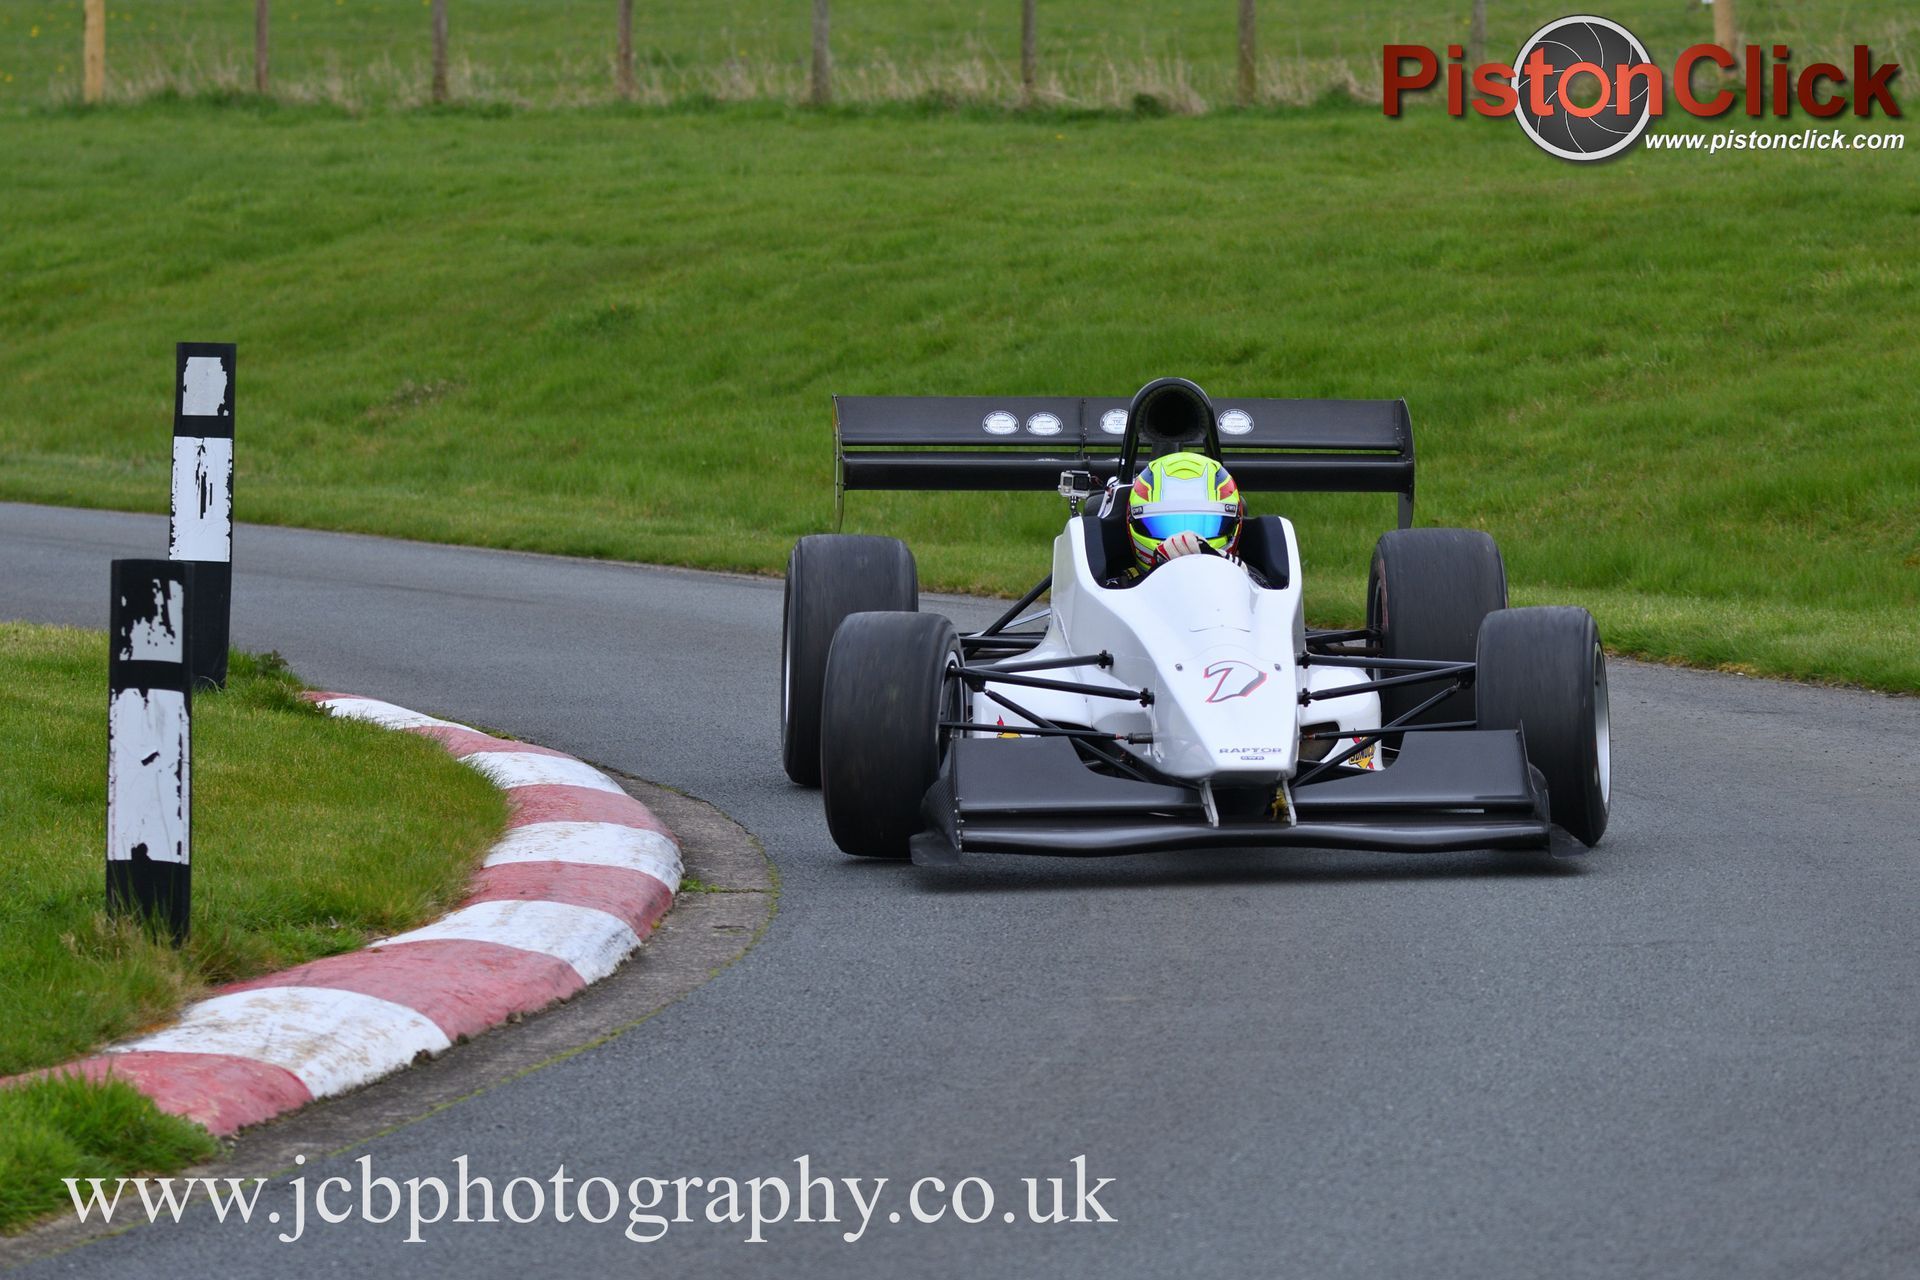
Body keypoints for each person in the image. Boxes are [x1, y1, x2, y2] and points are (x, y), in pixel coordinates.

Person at [1103, 450, 1265, 588]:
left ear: (1235, 523)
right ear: (1132, 521)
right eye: (1165, 526)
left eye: (1203, 526)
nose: (1187, 540)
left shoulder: (1255, 581)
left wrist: (1248, 579)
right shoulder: (1119, 588)